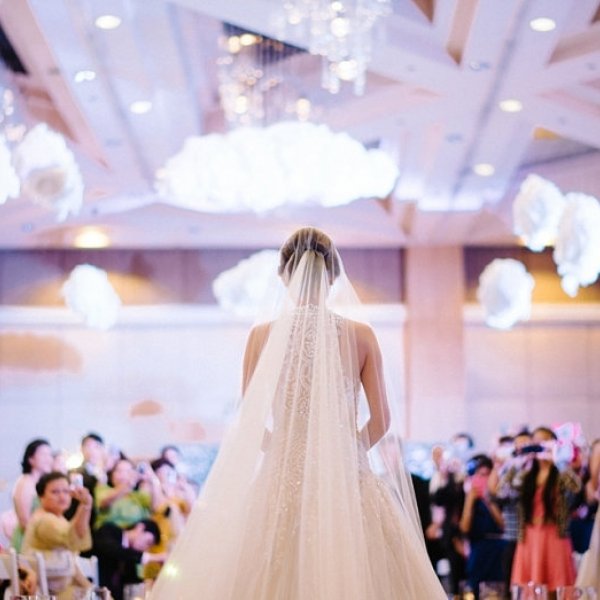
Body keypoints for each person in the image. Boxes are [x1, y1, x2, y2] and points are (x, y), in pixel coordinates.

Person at [149, 227, 445, 599]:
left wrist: (284, 447)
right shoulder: (361, 334)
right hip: (347, 473)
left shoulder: (261, 336)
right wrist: (345, 449)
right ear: (334, 276)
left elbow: (250, 420)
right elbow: (382, 419)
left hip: (282, 474)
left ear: (284, 276)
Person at [504, 426, 581, 594]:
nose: (540, 445)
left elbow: (576, 488)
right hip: (529, 536)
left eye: (545, 440)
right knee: (529, 588)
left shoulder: (560, 472)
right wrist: (518, 462)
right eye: (536, 441)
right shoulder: (525, 474)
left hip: (555, 535)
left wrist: (557, 460)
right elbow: (502, 491)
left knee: (558, 586)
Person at [21, 471, 94, 600]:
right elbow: (72, 539)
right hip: (46, 594)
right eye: (55, 492)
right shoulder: (44, 521)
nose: (62, 497)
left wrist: (92, 590)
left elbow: (72, 565)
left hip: (62, 592)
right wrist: (85, 505)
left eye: (66, 492)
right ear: (41, 496)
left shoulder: (58, 519)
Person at [93, 518, 162, 600]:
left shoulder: (129, 558)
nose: (145, 549)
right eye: (148, 543)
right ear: (140, 527)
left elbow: (132, 582)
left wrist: (152, 582)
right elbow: (112, 549)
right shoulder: (110, 530)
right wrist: (152, 557)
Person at [11, 438, 54, 551]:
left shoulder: (41, 483)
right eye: (43, 454)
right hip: (29, 542)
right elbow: (24, 521)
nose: (48, 459)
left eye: (50, 455)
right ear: (31, 459)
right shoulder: (25, 483)